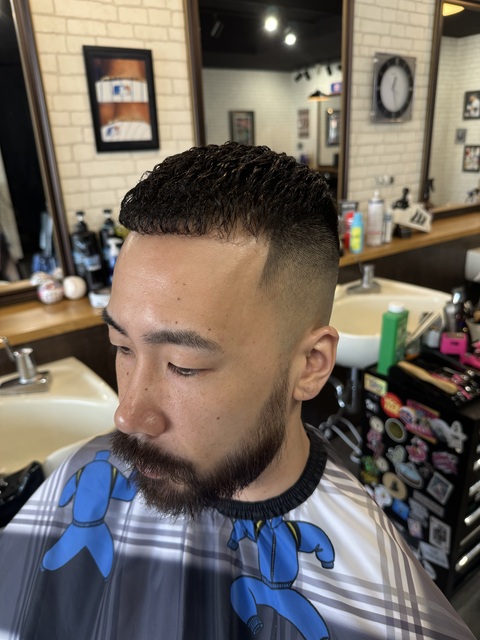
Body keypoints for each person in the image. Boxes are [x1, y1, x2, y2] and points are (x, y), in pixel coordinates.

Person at [0, 143, 475, 640]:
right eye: (122, 347)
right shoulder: (87, 475)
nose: (128, 415)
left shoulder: (381, 603)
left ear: (310, 366)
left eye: (183, 366)